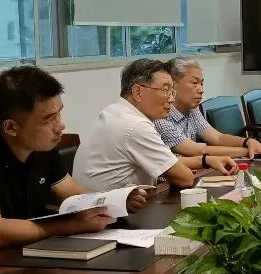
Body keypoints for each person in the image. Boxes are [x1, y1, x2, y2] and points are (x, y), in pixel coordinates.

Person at [0, 66, 147, 273]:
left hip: (22, 259)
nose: (60, 126)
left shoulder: (41, 149)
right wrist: (69, 225)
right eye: (48, 119)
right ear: (11, 127)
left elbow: (73, 193)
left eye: (59, 114)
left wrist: (114, 201)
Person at [74, 59, 235, 191]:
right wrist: (205, 160)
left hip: (104, 206)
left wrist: (207, 160)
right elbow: (184, 178)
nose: (171, 99)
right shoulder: (135, 126)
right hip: (107, 214)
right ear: (138, 92)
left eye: (172, 92)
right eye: (165, 91)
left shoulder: (114, 112)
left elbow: (168, 162)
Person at [155, 57, 261, 161]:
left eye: (201, 84)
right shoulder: (160, 116)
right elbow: (197, 150)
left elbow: (217, 137)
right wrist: (251, 150)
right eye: (194, 83)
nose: (201, 90)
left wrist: (249, 142)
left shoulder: (192, 110)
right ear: (172, 84)